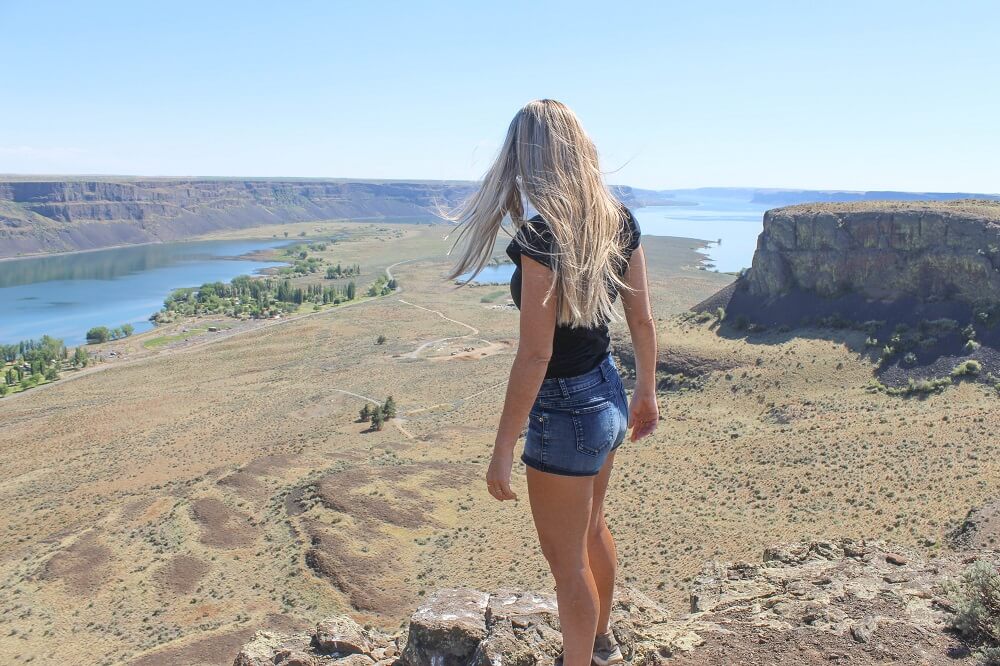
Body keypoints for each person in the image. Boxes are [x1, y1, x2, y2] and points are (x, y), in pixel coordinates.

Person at [445, 99, 659, 666]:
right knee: (591, 528)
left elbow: (536, 353)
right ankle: (603, 640)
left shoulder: (542, 237)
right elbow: (641, 320)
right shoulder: (619, 219)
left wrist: (500, 448)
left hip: (564, 409)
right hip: (607, 389)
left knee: (566, 563)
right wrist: (645, 394)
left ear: (528, 159)